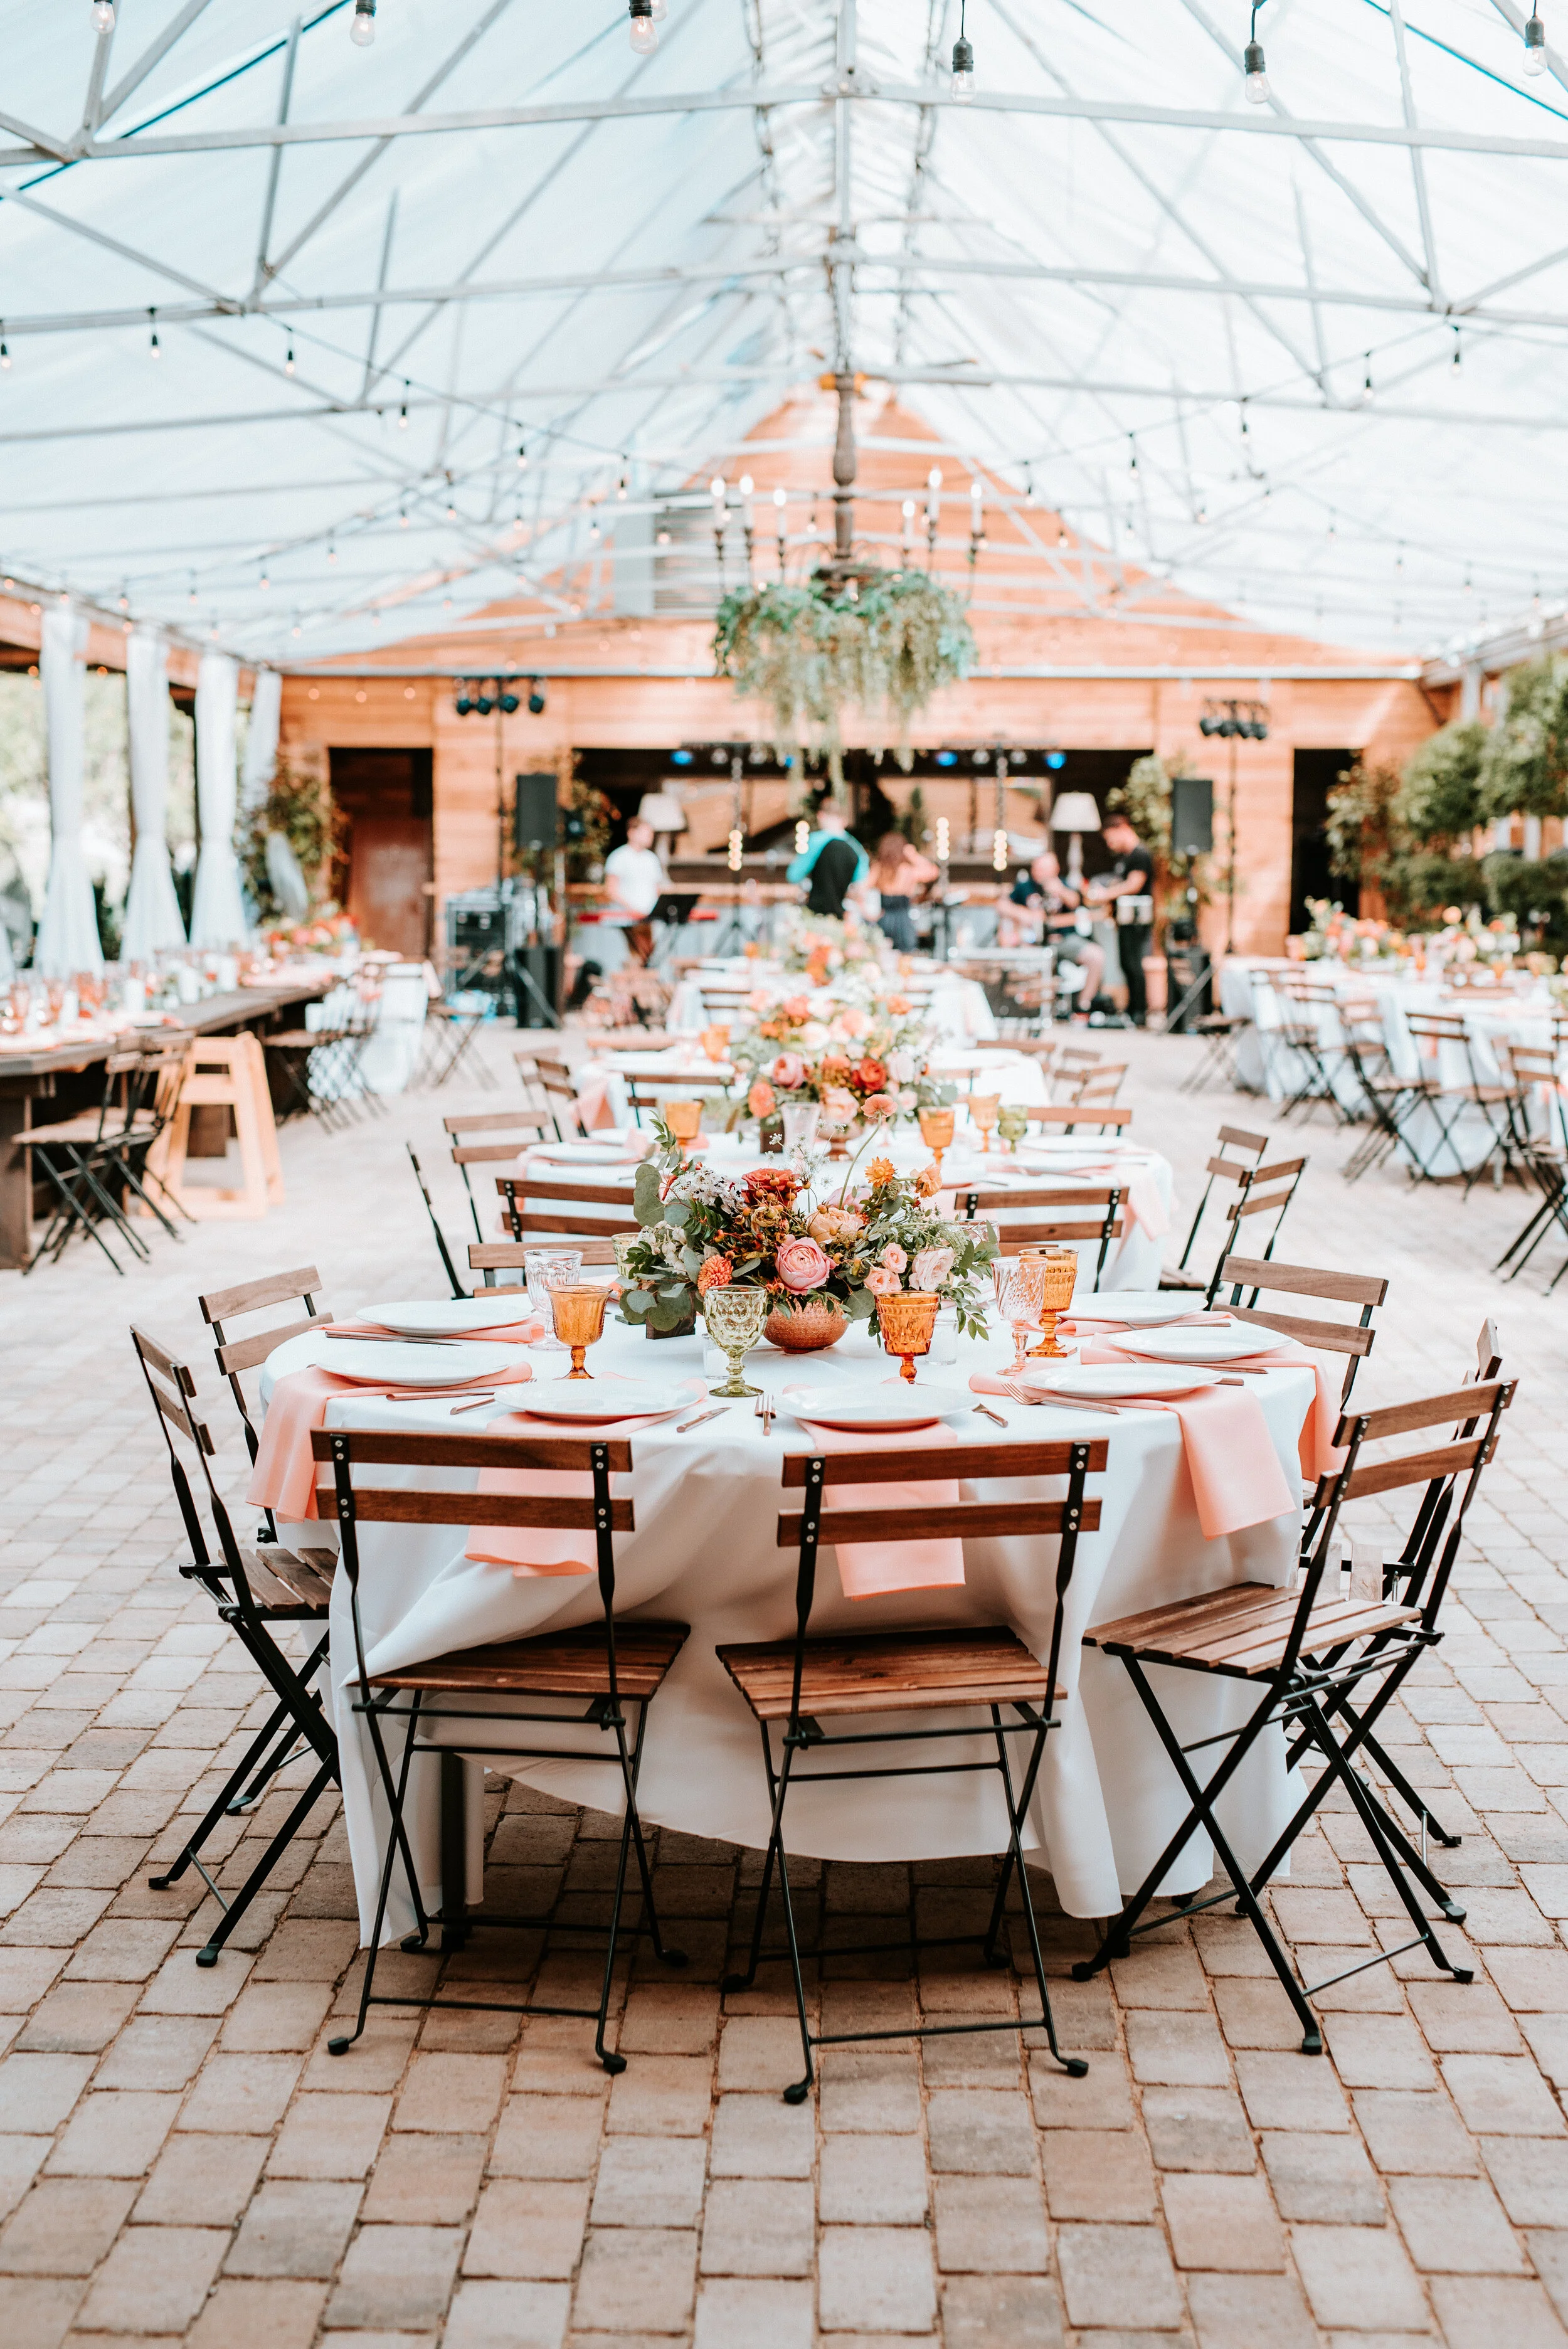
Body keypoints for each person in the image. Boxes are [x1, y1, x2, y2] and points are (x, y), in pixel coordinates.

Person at [1005, 850, 1106, 1019]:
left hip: (1064, 940)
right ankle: (1027, 1008)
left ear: (1055, 869)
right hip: (1033, 943)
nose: (1038, 872)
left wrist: (1060, 890)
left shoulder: (1065, 884)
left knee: (1097, 956)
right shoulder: (1025, 886)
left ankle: (1082, 1007)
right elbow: (1003, 905)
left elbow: (1076, 902)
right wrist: (1023, 914)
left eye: (1043, 868)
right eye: (1036, 868)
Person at [1086, 812, 1156, 1026]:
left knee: (1134, 964)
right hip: (1125, 920)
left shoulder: (1140, 856)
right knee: (1126, 964)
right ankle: (1132, 1008)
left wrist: (1105, 895)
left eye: (1111, 838)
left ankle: (1139, 1012)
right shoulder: (1126, 859)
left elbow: (1134, 885)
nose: (1111, 844)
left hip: (1137, 922)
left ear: (1122, 828)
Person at [787, 800, 869, 918]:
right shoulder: (857, 849)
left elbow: (793, 875)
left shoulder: (815, 841)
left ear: (821, 816)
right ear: (844, 820)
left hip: (815, 915)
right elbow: (861, 887)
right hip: (841, 916)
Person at [601, 817, 665, 965]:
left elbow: (656, 890)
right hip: (626, 918)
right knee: (635, 955)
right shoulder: (619, 857)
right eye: (646, 833)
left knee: (647, 956)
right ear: (632, 833)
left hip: (648, 918)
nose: (650, 837)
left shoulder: (652, 859)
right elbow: (611, 890)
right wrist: (633, 909)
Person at [869, 831, 938, 953]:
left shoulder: (879, 869)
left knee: (882, 956)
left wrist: (868, 914)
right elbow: (933, 872)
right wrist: (913, 855)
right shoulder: (907, 871)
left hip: (884, 921)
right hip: (904, 924)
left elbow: (859, 890)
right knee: (905, 959)